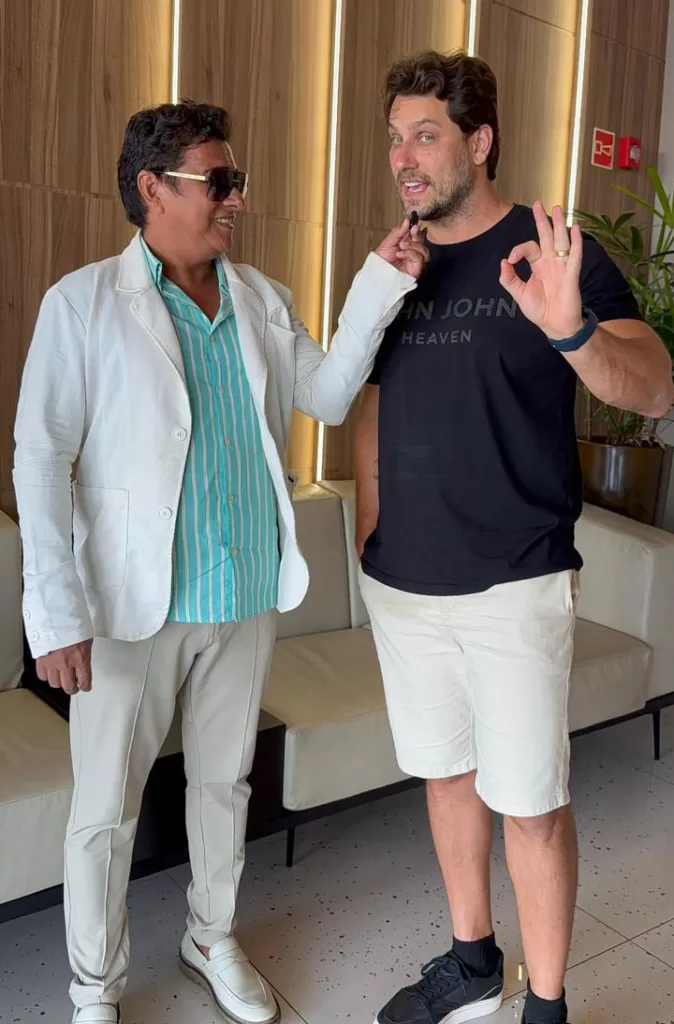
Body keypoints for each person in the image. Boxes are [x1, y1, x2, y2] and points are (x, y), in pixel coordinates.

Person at [13, 100, 428, 1024]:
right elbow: (39, 459)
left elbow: (327, 395)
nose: (236, 199)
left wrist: (379, 282)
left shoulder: (261, 298)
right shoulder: (83, 303)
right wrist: (56, 615)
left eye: (236, 181)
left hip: (245, 591)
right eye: (220, 181)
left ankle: (210, 934)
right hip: (130, 606)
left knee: (223, 784)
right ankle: (95, 987)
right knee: (105, 809)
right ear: (152, 188)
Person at [355, 51, 673, 1024]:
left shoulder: (552, 250)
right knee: (446, 777)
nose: (404, 158)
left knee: (529, 804)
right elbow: (372, 399)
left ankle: (547, 1005)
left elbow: (655, 388)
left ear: (479, 140)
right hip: (404, 584)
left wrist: (571, 331)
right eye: (396, 138)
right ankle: (471, 961)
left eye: (425, 136)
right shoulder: (396, 262)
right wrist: (370, 527)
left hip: (512, 585)